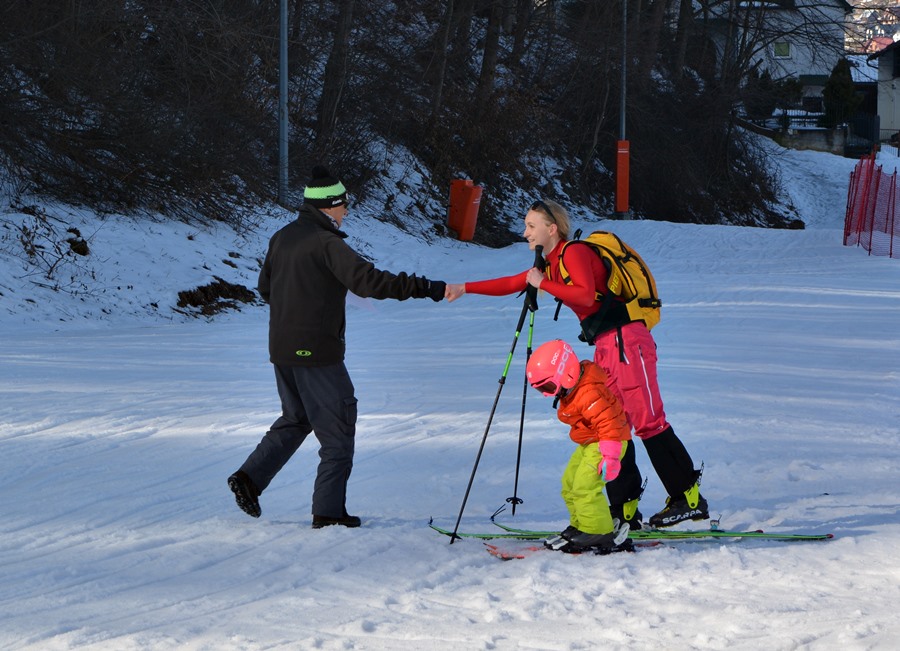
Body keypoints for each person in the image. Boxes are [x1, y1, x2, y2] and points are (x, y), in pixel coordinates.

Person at [446, 199, 709, 528]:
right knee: (614, 424)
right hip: (606, 344)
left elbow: (585, 296)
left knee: (648, 422)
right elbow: (514, 283)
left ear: (551, 228)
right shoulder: (551, 264)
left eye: (531, 226)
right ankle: (624, 509)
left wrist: (542, 284)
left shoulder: (574, 253)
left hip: (627, 340)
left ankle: (689, 499)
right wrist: (464, 288)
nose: (525, 232)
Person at [228, 165, 446, 529]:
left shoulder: (283, 237)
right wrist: (430, 288)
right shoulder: (326, 242)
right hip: (315, 352)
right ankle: (328, 513)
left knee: (296, 418)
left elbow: (266, 289)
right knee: (338, 430)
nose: (346, 212)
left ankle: (249, 479)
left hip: (282, 349)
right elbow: (369, 281)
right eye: (344, 205)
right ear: (329, 206)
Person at [525, 339, 634, 554]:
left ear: (567, 375)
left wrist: (611, 457)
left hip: (607, 443)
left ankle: (598, 531)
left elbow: (609, 423)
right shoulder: (575, 390)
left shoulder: (589, 393)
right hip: (591, 442)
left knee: (585, 487)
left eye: (548, 387)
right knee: (570, 483)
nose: (548, 394)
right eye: (542, 390)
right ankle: (582, 525)